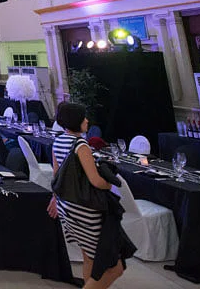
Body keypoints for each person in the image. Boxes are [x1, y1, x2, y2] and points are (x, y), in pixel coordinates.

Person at [48, 102, 126, 289]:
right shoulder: (80, 145)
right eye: (84, 117)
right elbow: (95, 180)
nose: (87, 121)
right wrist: (110, 184)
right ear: (76, 120)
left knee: (89, 257)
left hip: (67, 207)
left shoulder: (58, 141)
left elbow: (57, 176)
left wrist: (55, 199)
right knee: (116, 267)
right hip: (85, 209)